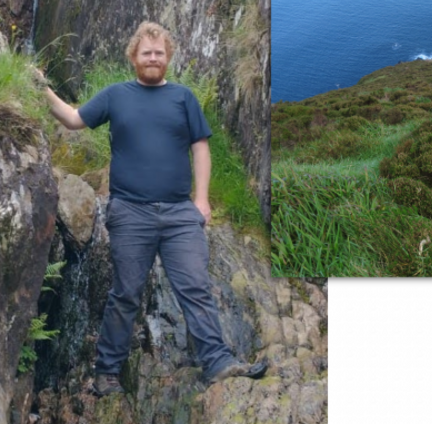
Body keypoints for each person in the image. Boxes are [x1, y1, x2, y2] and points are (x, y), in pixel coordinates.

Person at [36, 21, 267, 397]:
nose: (153, 58)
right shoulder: (115, 95)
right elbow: (74, 119)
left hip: (179, 214)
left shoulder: (183, 98)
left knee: (195, 286)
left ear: (169, 56)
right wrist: (41, 88)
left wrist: (202, 199)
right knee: (125, 292)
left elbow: (201, 149)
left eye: (159, 52)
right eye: (147, 52)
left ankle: (218, 363)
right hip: (130, 212)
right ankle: (107, 372)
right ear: (134, 57)